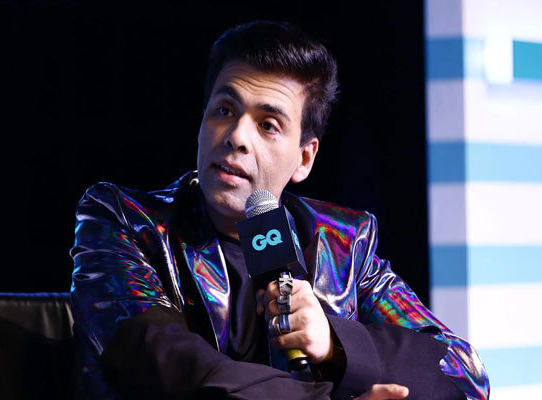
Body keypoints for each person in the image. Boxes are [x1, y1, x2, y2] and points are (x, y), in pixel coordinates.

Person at [70, 20, 489, 400]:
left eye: (268, 125)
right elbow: (171, 367)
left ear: (304, 159)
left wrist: (335, 343)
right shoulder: (125, 221)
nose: (237, 136)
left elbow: (463, 373)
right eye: (225, 110)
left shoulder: (342, 244)